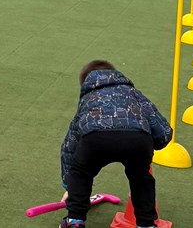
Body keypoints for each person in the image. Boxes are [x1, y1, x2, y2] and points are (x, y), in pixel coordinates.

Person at [59, 60, 172, 228]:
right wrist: (152, 145)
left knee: (80, 172)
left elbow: (69, 145)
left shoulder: (88, 98)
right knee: (141, 178)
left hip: (96, 139)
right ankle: (146, 224)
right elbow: (164, 131)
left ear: (85, 82)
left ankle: (74, 220)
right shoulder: (134, 94)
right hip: (137, 139)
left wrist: (70, 186)